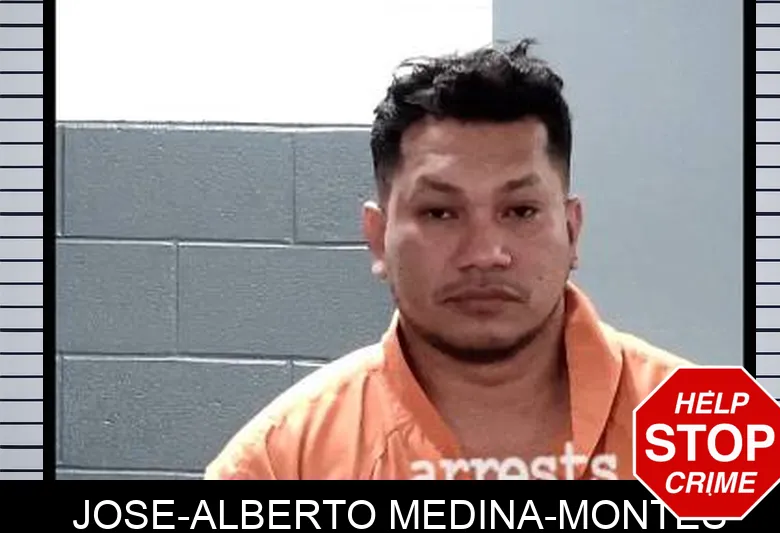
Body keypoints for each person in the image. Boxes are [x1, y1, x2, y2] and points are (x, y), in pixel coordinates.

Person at [204, 38, 694, 481]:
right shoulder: (279, 465)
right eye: (440, 213)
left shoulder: (705, 433)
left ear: (571, 230)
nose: (484, 254)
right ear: (378, 237)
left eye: (520, 211)